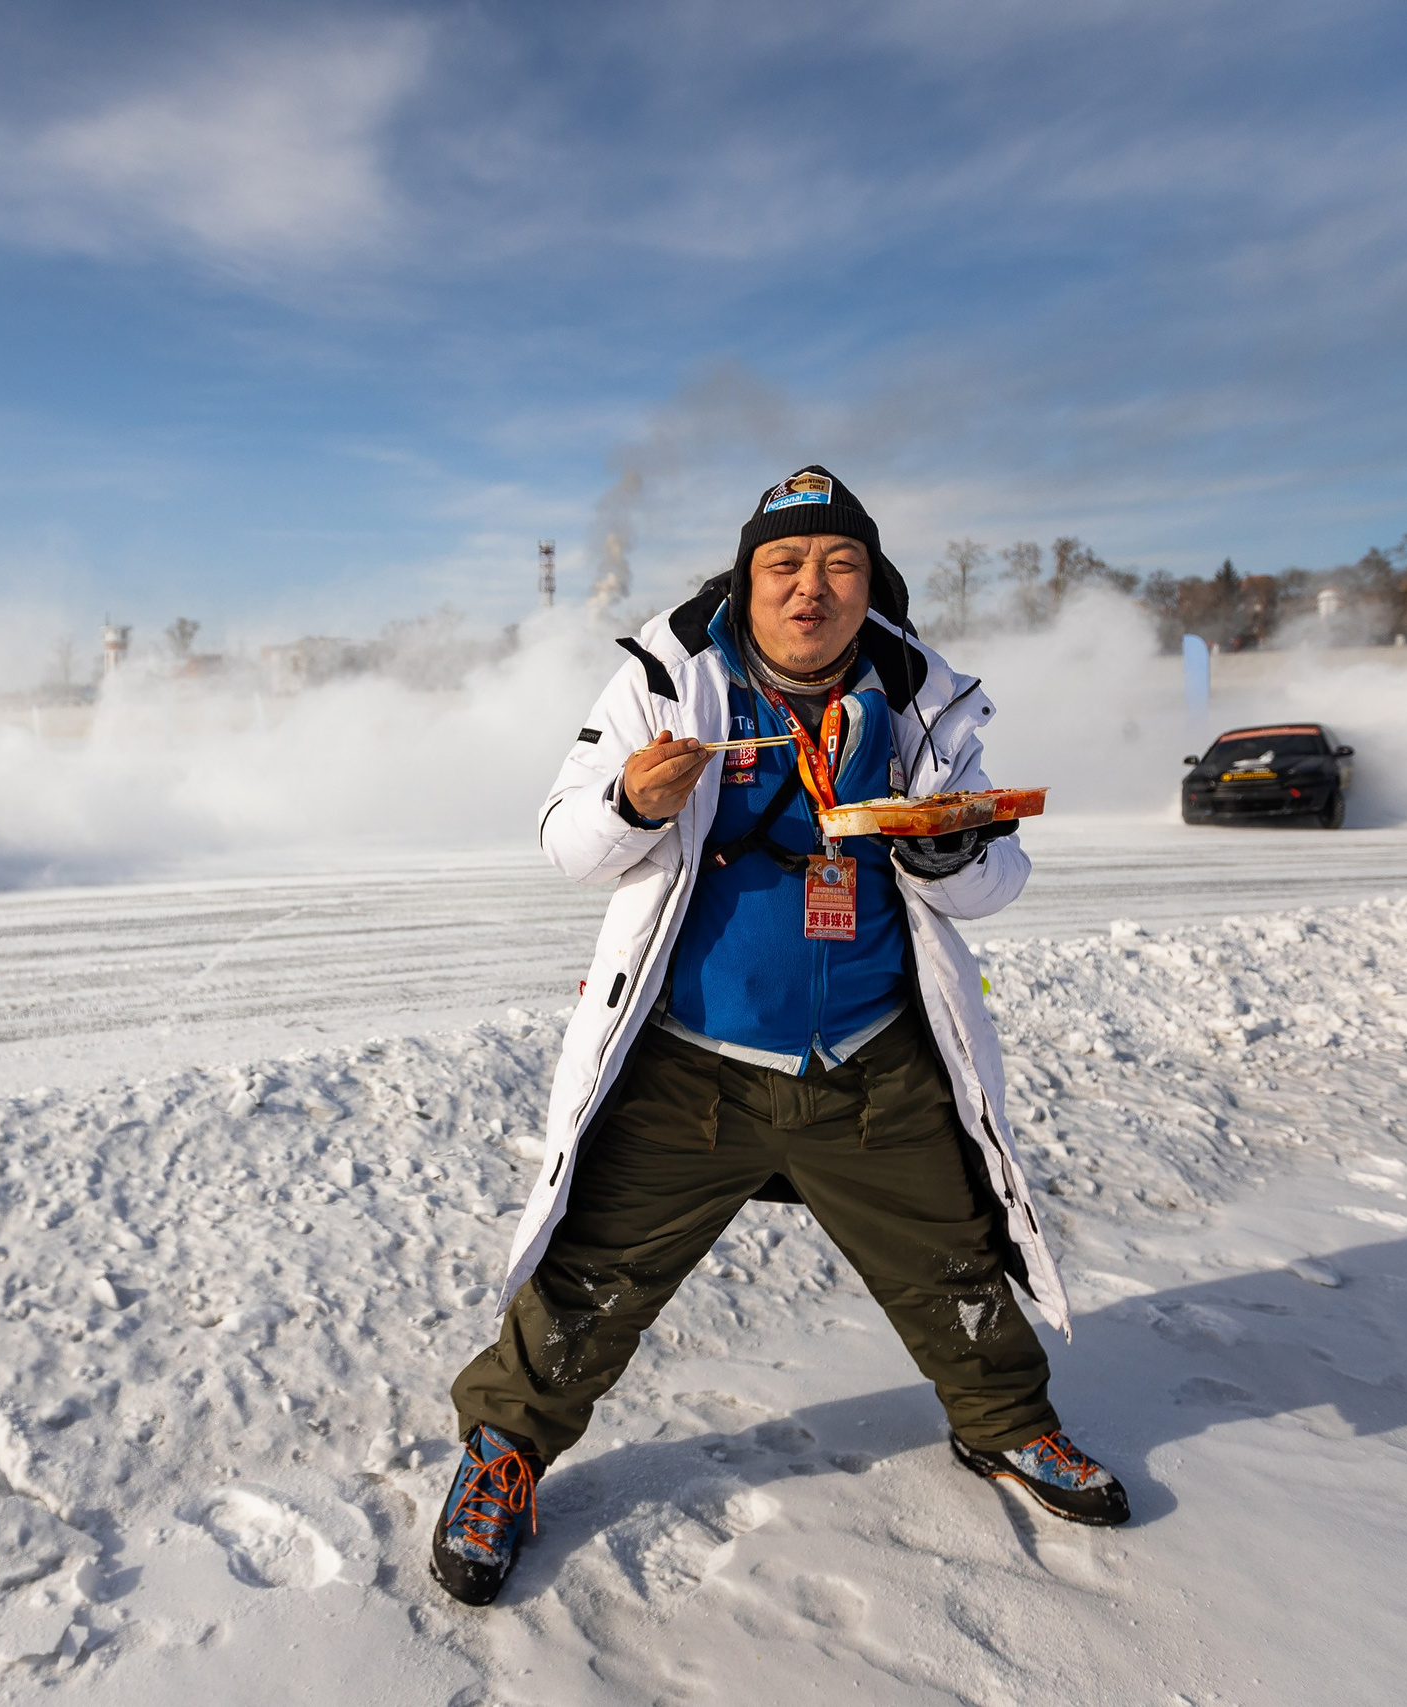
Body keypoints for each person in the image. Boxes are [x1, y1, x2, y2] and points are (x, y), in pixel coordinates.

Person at [429, 466, 1127, 1608]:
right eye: (785, 564)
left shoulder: (918, 697)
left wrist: (951, 851)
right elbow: (564, 840)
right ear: (746, 580)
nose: (812, 587)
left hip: (870, 1056)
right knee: (592, 1274)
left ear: (870, 583)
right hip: (692, 1064)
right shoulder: (670, 679)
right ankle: (503, 1450)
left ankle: (1005, 1421)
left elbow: (996, 881)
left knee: (951, 1258)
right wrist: (632, 804)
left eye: (840, 564)